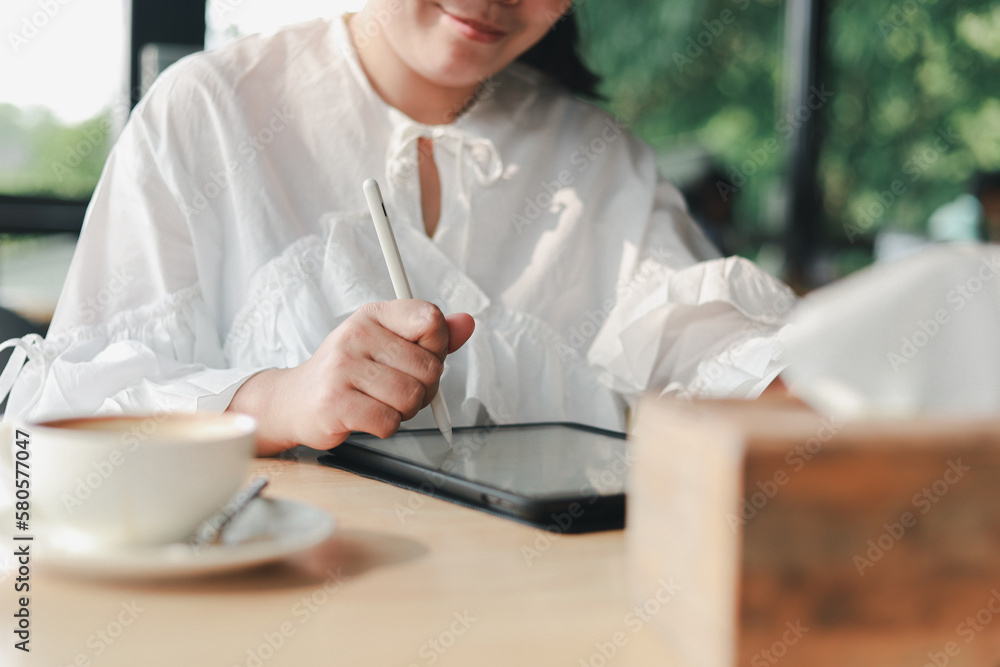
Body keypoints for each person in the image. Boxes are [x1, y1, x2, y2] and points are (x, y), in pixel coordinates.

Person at [0, 0, 794, 456]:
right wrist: (274, 400)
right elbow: (50, 433)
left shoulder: (599, 160)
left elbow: (703, 345)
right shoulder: (206, 114)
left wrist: (789, 382)